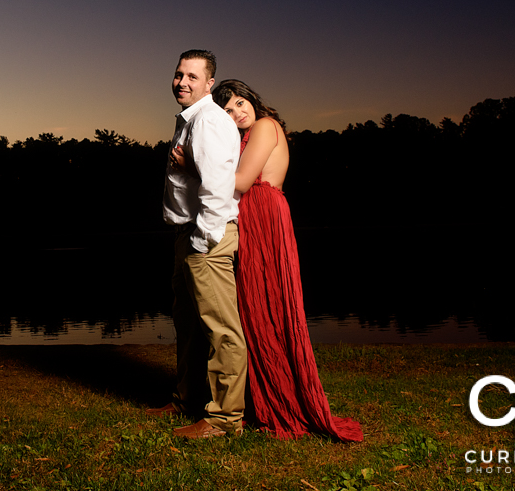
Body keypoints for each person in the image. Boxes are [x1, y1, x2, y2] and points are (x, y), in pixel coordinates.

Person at [198, 78, 363, 442]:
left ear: (253, 101)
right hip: (252, 215)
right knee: (254, 307)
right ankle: (264, 399)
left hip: (264, 212)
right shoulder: (247, 131)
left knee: (269, 303)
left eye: (241, 103)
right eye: (227, 110)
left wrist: (195, 166)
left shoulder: (265, 126)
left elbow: (240, 181)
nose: (237, 112)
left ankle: (284, 401)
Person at [148, 50, 247, 439]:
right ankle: (187, 399)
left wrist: (204, 240)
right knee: (188, 325)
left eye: (192, 76)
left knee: (222, 330)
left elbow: (217, 189)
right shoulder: (189, 120)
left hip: (206, 236)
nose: (182, 82)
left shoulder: (209, 120)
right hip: (187, 236)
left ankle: (225, 420)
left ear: (209, 84)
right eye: (178, 74)